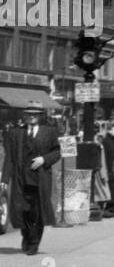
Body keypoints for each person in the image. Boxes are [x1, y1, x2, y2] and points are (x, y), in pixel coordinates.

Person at [2, 105, 62, 255]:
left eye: (34, 114)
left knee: (37, 212)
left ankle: (34, 243)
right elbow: (9, 158)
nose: (31, 116)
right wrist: (4, 180)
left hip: (40, 179)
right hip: (21, 179)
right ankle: (26, 236)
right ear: (24, 115)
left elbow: (57, 152)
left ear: (40, 115)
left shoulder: (49, 132)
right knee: (22, 211)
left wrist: (44, 159)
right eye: (28, 113)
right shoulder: (15, 133)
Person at [100, 125, 114, 218]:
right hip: (107, 170)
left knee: (112, 191)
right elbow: (105, 158)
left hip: (108, 170)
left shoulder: (110, 141)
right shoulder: (107, 142)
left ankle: (106, 210)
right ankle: (108, 211)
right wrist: (107, 171)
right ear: (109, 131)